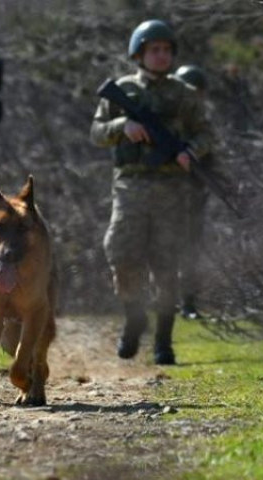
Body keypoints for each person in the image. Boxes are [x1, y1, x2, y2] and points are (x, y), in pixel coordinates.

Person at [90, 19, 212, 366]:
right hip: (130, 185)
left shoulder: (184, 95)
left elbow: (206, 133)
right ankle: (134, 316)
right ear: (139, 54)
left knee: (166, 264)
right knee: (122, 252)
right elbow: (96, 132)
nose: (161, 56)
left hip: (172, 188)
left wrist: (191, 152)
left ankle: (163, 341)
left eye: (166, 50)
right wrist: (122, 127)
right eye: (154, 50)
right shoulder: (123, 90)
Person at [173, 64, 214, 320]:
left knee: (191, 250)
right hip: (163, 193)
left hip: (193, 194)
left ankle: (188, 301)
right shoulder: (168, 120)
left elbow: (209, 155)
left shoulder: (201, 125)